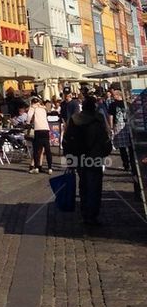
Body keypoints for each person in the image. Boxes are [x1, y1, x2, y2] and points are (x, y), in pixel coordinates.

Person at [63, 96, 112, 225]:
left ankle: (85, 212)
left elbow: (67, 139)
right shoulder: (98, 119)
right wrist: (105, 152)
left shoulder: (74, 119)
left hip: (79, 157)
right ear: (93, 107)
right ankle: (93, 214)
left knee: (83, 184)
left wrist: (69, 157)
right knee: (95, 187)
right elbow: (105, 139)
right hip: (95, 158)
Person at [27, 96, 52, 174]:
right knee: (47, 149)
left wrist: (28, 123)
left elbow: (29, 117)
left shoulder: (32, 108)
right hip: (46, 129)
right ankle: (50, 168)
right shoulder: (43, 108)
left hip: (38, 130)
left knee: (36, 149)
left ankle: (36, 167)